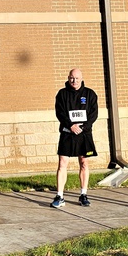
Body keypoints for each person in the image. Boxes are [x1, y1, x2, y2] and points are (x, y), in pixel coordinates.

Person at [50, 68, 98, 208]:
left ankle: (83, 194)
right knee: (62, 163)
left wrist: (82, 127)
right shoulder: (62, 94)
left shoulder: (90, 94)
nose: (74, 81)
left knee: (84, 163)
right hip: (67, 133)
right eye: (72, 78)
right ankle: (60, 196)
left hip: (84, 134)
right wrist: (70, 125)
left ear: (81, 79)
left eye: (77, 78)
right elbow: (60, 113)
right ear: (68, 78)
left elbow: (93, 114)